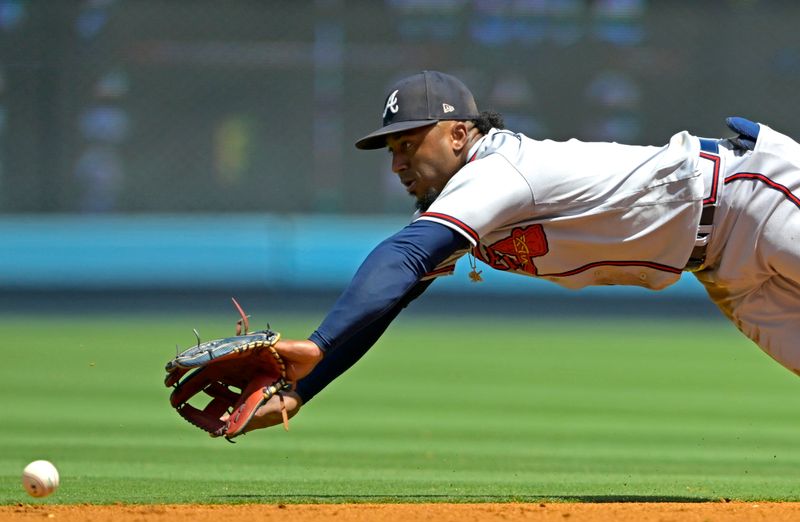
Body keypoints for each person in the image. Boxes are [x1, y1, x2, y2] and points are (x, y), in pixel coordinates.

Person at [253, 70, 800, 431]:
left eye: (409, 143)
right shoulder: (461, 204)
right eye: (393, 149)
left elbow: (402, 257)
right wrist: (305, 388)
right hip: (726, 272)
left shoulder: (497, 172)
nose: (398, 163)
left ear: (460, 135)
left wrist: (321, 344)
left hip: (749, 193)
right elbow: (392, 296)